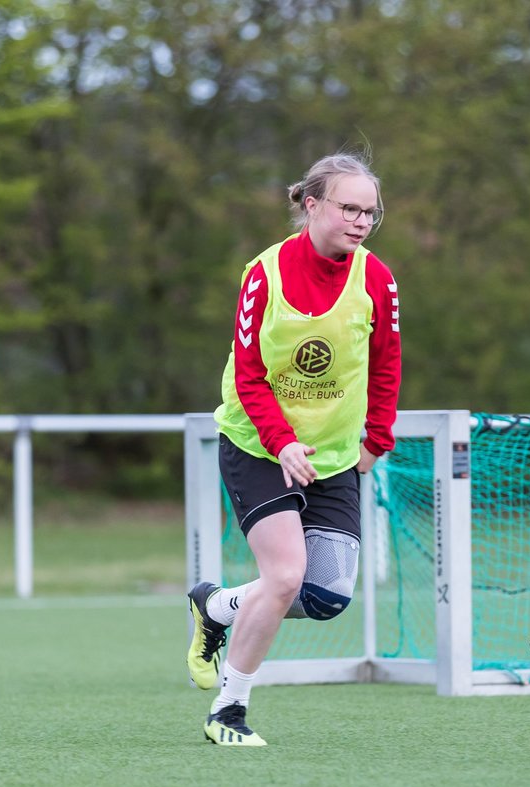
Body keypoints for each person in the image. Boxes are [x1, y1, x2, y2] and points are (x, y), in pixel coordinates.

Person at [186, 153, 402, 746]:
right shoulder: (264, 274)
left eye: (370, 212)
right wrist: (281, 443)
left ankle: (218, 607)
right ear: (312, 205)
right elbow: (251, 374)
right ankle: (228, 712)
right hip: (258, 443)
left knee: (326, 596)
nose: (360, 221)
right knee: (283, 577)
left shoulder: (377, 279)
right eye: (348, 208)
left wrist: (376, 441)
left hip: (332, 456)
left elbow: (386, 366)